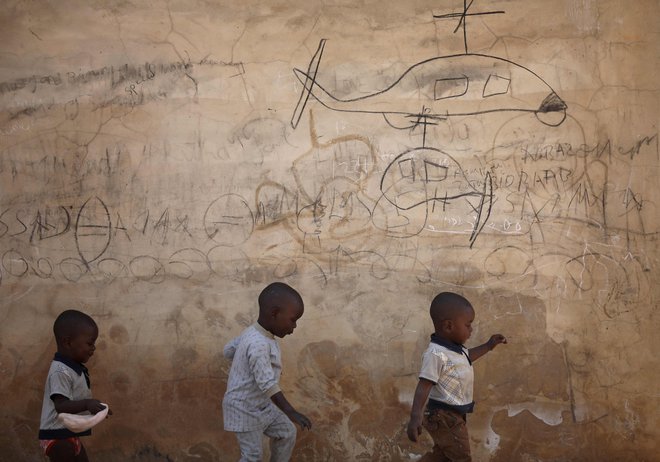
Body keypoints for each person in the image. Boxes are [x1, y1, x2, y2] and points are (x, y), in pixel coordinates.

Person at [406, 292, 507, 461]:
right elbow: (424, 386)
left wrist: (489, 346)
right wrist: (415, 417)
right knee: (461, 456)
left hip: (453, 415)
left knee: (443, 455)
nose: (471, 330)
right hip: (443, 415)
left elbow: (468, 357)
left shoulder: (455, 349)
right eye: (468, 325)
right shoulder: (436, 353)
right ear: (448, 326)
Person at [222, 282, 312, 462]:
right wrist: (290, 411)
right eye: (293, 320)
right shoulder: (258, 344)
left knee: (286, 432)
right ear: (274, 314)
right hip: (243, 408)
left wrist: (243, 363)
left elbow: (228, 350)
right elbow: (267, 384)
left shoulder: (254, 333)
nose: (294, 327)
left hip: (260, 405)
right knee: (252, 456)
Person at [38, 310, 110, 462]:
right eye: (90, 343)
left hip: (68, 434)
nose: (94, 348)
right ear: (68, 342)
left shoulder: (73, 368)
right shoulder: (60, 371)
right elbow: (61, 405)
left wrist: (98, 410)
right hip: (56, 437)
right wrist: (87, 404)